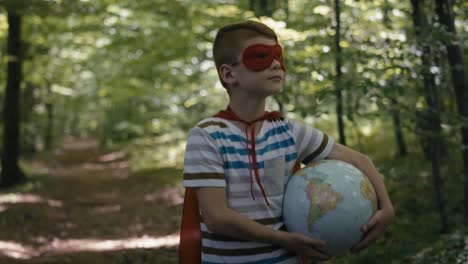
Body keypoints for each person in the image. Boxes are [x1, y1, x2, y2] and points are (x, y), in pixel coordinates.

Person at [182, 20, 394, 263]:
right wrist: (284, 239)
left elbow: (359, 160)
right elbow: (217, 217)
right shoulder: (207, 136)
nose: (275, 64)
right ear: (229, 74)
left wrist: (387, 208)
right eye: (260, 56)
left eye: (278, 56)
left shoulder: (288, 131)